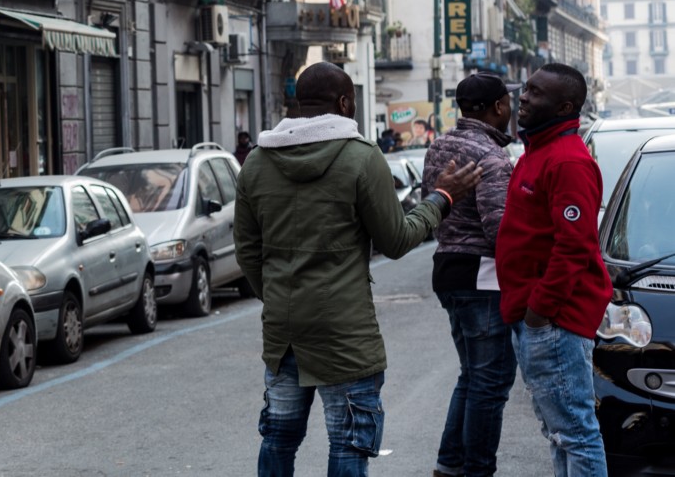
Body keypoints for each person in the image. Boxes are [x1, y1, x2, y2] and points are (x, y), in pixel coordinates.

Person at [235, 62, 483, 477]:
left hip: (284, 331)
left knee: (278, 439)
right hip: (346, 335)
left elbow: (247, 251)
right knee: (349, 444)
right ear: (345, 103)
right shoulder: (362, 157)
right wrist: (441, 197)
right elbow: (397, 240)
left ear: (298, 103)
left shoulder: (257, 163)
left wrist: (280, 295)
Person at [496, 63, 612, 477]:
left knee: (575, 433)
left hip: (554, 321)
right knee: (560, 433)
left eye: (536, 93)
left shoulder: (566, 161)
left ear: (565, 107)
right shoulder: (537, 152)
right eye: (526, 88)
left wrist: (540, 310)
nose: (523, 98)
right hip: (537, 318)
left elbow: (575, 245)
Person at [425, 74, 520, 477]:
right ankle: (477, 470)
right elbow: (501, 231)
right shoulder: (491, 157)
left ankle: (449, 465)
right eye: (509, 102)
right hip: (481, 278)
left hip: (448, 269)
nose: (513, 108)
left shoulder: (438, 145)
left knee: (472, 376)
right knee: (491, 382)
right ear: (498, 107)